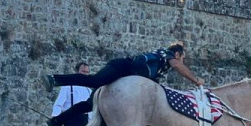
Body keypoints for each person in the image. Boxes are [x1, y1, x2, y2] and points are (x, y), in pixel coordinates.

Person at [47, 42, 202, 90]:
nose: (182, 62)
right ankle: (54, 79)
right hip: (122, 67)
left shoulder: (160, 69)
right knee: (94, 81)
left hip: (125, 75)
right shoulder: (166, 55)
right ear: (177, 55)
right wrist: (195, 80)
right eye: (183, 58)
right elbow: (176, 65)